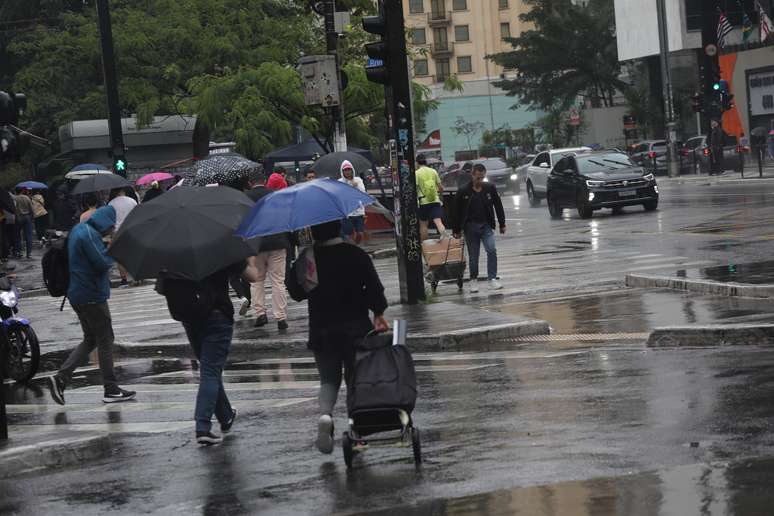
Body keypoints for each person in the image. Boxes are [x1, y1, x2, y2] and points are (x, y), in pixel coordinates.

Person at [287, 219, 389, 454]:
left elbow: (296, 292)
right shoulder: (355, 254)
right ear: (339, 228)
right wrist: (379, 312)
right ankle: (357, 433)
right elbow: (374, 288)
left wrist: (299, 267)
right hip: (356, 329)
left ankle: (325, 415)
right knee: (356, 382)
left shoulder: (308, 258)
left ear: (313, 231)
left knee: (328, 380)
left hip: (323, 330)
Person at [157, 260, 259, 445]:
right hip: (217, 315)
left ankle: (225, 415)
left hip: (189, 317)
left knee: (209, 368)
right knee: (210, 371)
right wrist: (249, 258)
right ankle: (202, 426)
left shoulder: (171, 250)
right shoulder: (218, 245)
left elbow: (163, 286)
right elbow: (253, 276)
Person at [48, 206, 136, 405]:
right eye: (111, 227)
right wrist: (113, 248)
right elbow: (102, 263)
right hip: (91, 296)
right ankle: (111, 389)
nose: (110, 230)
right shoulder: (89, 235)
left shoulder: (80, 229)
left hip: (77, 294)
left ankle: (61, 378)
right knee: (106, 339)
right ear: (105, 222)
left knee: (90, 339)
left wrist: (104, 243)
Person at [245, 175, 290, 330]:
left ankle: (260, 314)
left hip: (256, 244)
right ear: (264, 181)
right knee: (278, 281)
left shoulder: (245, 197)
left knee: (257, 281)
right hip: (277, 241)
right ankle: (281, 317)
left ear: (250, 183)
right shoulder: (275, 195)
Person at [452, 163, 506, 293]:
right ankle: (473, 280)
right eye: (478, 178)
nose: (480, 181)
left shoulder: (489, 188)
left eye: (482, 178)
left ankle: (492, 278)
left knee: (491, 249)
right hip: (470, 227)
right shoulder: (463, 191)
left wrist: (502, 223)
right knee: (474, 255)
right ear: (472, 175)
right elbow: (455, 211)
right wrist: (456, 230)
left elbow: (498, 205)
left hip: (486, 225)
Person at [108, 187, 138, 286]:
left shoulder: (111, 204)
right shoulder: (132, 201)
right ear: (123, 191)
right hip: (131, 230)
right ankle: (135, 277)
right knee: (133, 254)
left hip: (117, 231)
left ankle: (124, 279)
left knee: (120, 256)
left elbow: (111, 220)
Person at [415, 154, 446, 241]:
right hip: (435, 200)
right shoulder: (433, 171)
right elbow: (441, 187)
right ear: (426, 161)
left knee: (423, 225)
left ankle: (425, 246)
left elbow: (415, 188)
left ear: (417, 163)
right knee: (438, 222)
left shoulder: (416, 173)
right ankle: (446, 241)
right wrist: (440, 197)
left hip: (423, 202)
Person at [338, 160, 367, 243]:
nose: (347, 172)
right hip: (347, 213)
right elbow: (341, 196)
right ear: (342, 171)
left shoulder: (358, 180)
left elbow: (363, 193)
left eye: (349, 169)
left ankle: (356, 246)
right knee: (348, 235)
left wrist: (356, 186)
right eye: (345, 170)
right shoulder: (340, 182)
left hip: (359, 212)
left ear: (352, 170)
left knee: (360, 234)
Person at [14, 189, 34, 259]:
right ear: (22, 191)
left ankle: (20, 252)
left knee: (18, 235)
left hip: (18, 217)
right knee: (29, 235)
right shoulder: (27, 198)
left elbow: (14, 209)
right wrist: (32, 217)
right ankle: (29, 253)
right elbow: (31, 209)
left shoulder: (15, 198)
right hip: (27, 217)